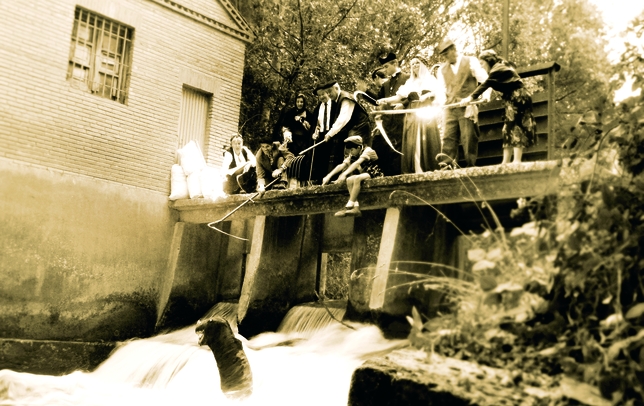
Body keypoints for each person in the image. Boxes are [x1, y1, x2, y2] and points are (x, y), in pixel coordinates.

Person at [459, 50, 536, 165]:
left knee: (515, 126)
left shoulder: (497, 68)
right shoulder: (498, 69)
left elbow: (486, 84)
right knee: (507, 128)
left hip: (518, 97)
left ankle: (516, 161)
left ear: (489, 61)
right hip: (512, 98)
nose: (482, 67)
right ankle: (505, 162)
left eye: (482, 64)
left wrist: (470, 98)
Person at [377, 57, 444, 173]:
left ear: (422, 64)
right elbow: (398, 97)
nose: (415, 66)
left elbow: (439, 92)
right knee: (412, 140)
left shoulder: (430, 79)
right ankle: (416, 168)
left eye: (417, 63)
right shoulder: (410, 82)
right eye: (412, 64)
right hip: (412, 114)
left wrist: (428, 96)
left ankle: (429, 166)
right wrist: (384, 100)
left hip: (426, 111)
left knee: (426, 138)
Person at [435, 39, 491, 168]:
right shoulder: (442, 70)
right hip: (450, 108)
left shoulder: (470, 61)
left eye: (446, 53)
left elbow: (486, 81)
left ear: (454, 50)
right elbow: (440, 89)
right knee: (448, 136)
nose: (445, 57)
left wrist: (485, 95)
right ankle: (445, 165)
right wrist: (441, 102)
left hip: (467, 107)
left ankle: (470, 166)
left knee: (469, 137)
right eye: (443, 55)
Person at [322, 136, 383, 217]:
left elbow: (357, 163)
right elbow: (342, 165)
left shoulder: (367, 151)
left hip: (375, 173)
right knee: (349, 179)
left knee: (357, 178)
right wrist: (328, 176)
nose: (351, 152)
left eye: (352, 150)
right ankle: (356, 207)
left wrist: (344, 174)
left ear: (358, 147)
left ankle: (348, 206)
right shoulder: (353, 154)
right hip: (365, 174)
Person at [322, 81, 371, 171]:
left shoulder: (345, 98)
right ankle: (347, 176)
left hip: (360, 126)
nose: (329, 94)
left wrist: (330, 134)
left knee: (352, 150)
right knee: (348, 152)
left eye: (330, 91)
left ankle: (355, 174)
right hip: (353, 127)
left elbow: (343, 119)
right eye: (327, 92)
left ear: (336, 88)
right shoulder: (337, 101)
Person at [375, 52, 410, 176]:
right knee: (387, 149)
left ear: (395, 63)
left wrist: (404, 104)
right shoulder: (386, 84)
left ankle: (400, 176)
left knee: (400, 149)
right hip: (388, 123)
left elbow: (413, 96)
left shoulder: (407, 78)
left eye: (386, 67)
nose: (384, 70)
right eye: (383, 67)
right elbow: (379, 101)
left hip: (402, 121)